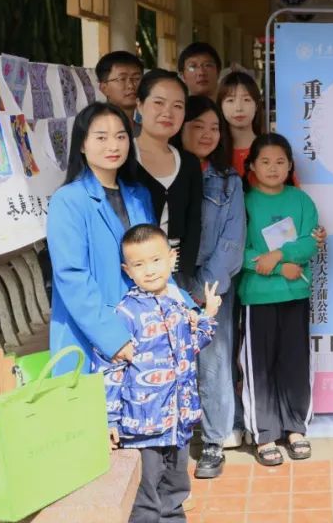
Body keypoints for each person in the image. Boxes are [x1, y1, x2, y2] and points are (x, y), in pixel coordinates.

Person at [99, 223, 221, 523]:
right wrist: (109, 419)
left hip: (178, 420)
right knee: (145, 498)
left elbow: (191, 347)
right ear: (128, 271)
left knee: (175, 491)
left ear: (171, 258)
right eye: (139, 264)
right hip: (142, 427)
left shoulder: (178, 304)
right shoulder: (126, 313)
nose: (149, 270)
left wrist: (208, 316)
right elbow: (111, 369)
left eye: (155, 260)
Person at [47, 102, 154, 376]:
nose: (113, 145)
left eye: (120, 136)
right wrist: (113, 337)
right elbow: (72, 276)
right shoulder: (68, 200)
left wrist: (184, 307)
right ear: (82, 145)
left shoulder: (139, 195)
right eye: (101, 137)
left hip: (142, 327)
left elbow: (156, 258)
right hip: (93, 337)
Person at [173, 96, 248, 478]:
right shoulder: (164, 171)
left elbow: (233, 239)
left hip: (215, 282)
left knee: (214, 360)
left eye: (214, 127)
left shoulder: (228, 179)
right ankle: (171, 436)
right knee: (172, 359)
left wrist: (205, 289)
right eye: (197, 126)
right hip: (167, 280)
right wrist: (170, 286)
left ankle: (214, 441)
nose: (207, 134)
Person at [237, 133, 319, 467]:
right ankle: (265, 432)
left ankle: (296, 427)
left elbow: (310, 242)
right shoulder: (244, 202)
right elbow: (237, 250)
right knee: (259, 367)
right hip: (257, 297)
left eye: (280, 162)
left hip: (295, 293)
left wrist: (281, 256)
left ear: (290, 166)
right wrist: (275, 267)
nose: (273, 168)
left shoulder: (301, 201)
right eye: (266, 161)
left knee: (295, 362)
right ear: (252, 166)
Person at [133, 70, 202, 293]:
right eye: (159, 103)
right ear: (139, 105)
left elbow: (194, 222)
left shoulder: (189, 163)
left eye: (177, 106)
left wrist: (184, 277)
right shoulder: (122, 157)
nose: (168, 113)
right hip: (131, 273)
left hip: (176, 276)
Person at [216, 71, 264, 177]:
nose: (239, 108)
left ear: (256, 105)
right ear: (220, 106)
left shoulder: (272, 148)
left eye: (246, 99)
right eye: (230, 100)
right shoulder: (212, 152)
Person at [95, 51, 144, 121]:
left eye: (137, 78)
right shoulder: (94, 126)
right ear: (104, 88)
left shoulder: (147, 127)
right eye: (122, 79)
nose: (131, 86)